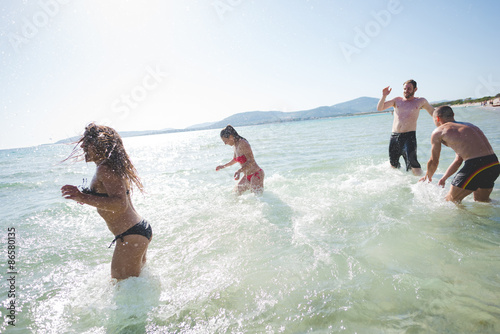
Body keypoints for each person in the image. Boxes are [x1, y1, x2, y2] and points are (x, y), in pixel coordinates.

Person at [61, 123, 152, 280]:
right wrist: (86, 196)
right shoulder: (110, 166)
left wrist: (83, 197)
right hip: (136, 232)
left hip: (130, 235)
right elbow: (112, 198)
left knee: (123, 290)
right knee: (135, 286)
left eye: (87, 141)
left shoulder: (105, 168)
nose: (82, 145)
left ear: (100, 143)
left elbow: (120, 204)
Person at [419, 106, 500, 203]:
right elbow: (458, 160)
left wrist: (427, 177)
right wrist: (444, 178)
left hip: (476, 165)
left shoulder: (439, 131)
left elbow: (433, 161)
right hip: (493, 164)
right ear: (453, 115)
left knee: (451, 201)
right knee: (482, 201)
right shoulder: (470, 126)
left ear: (437, 118)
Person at [377, 79, 435, 176]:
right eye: (404, 88)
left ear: (415, 89)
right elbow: (380, 108)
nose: (406, 90)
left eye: (409, 88)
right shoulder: (397, 100)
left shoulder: (420, 101)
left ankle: (423, 182)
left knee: (413, 164)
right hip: (394, 137)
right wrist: (384, 96)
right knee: (393, 164)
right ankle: (400, 183)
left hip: (409, 137)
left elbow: (433, 113)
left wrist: (446, 123)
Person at [215, 125, 265, 195]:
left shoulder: (243, 143)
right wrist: (223, 166)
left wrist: (239, 171)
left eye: (225, 141)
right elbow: (235, 159)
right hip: (247, 176)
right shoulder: (235, 145)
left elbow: (251, 161)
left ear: (231, 136)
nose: (225, 143)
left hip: (256, 174)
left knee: (258, 199)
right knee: (235, 194)